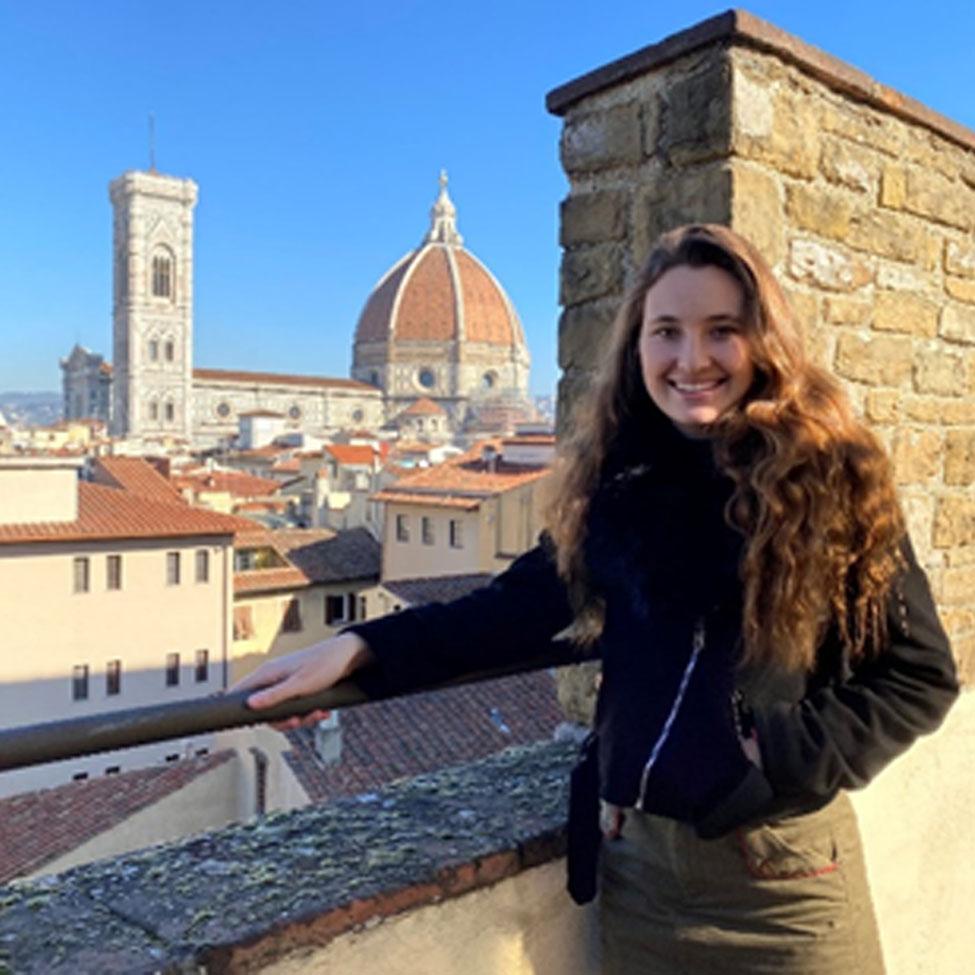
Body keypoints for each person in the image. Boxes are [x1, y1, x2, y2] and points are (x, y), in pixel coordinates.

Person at [234, 224, 958, 974]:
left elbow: (917, 673)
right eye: (666, 332)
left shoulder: (829, 485)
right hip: (639, 876)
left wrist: (769, 755)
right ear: (636, 348)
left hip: (783, 885)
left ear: (762, 341)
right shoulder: (621, 489)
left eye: (721, 331)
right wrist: (361, 647)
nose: (690, 358)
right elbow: (512, 612)